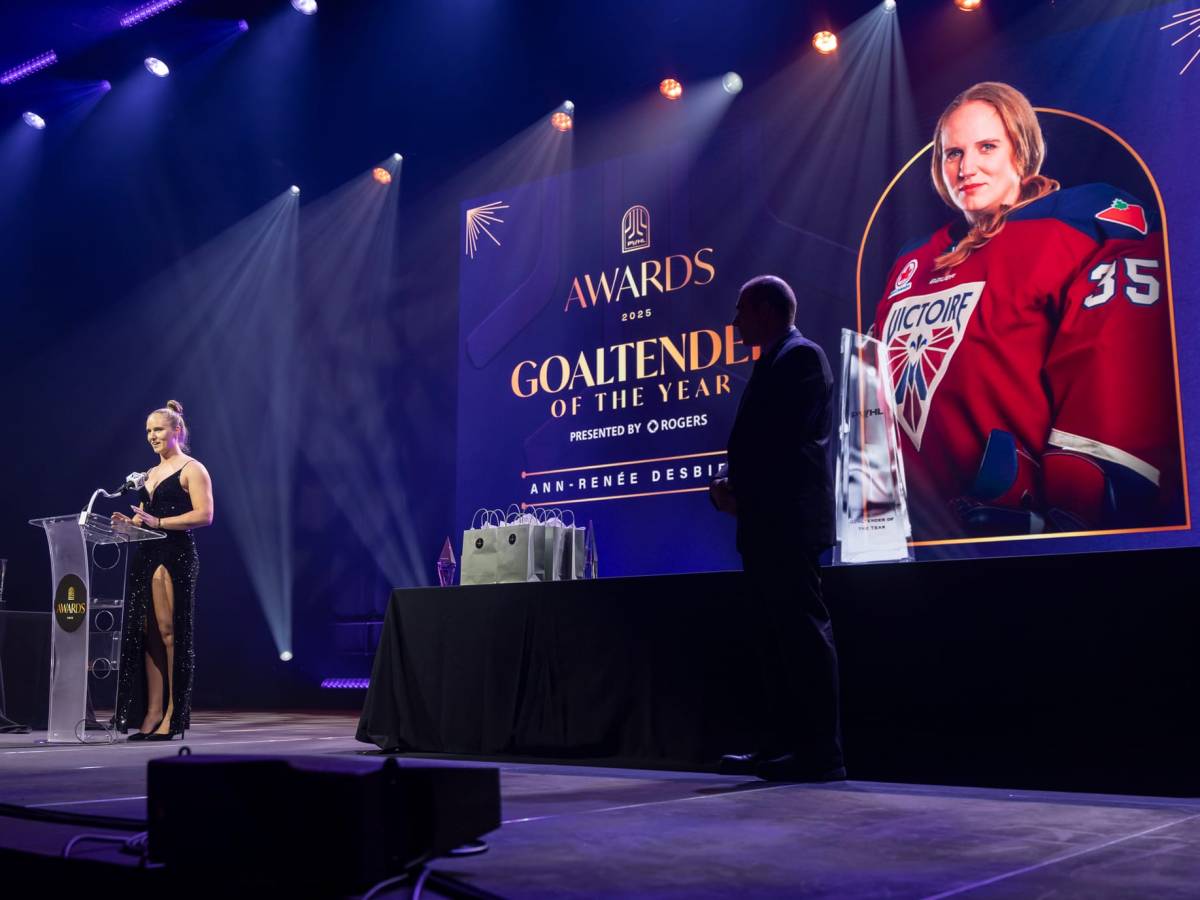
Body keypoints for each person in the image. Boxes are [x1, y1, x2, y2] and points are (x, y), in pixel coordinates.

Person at [872, 82, 1182, 541]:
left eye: (987, 147)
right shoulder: (911, 261)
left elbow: (1114, 353)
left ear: (1022, 150)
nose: (967, 167)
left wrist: (1080, 492)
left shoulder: (1077, 221)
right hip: (921, 537)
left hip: (1029, 537)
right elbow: (876, 393)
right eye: (952, 153)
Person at [710, 275, 843, 782]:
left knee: (802, 638)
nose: (735, 321)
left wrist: (741, 495)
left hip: (787, 523)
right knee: (773, 642)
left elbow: (785, 447)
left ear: (766, 310)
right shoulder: (773, 361)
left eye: (741, 310)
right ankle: (778, 749)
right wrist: (734, 493)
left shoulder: (802, 357)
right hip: (766, 524)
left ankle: (821, 755)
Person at [111, 401, 213, 740]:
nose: (152, 436)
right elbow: (144, 521)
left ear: (177, 431)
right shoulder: (148, 475)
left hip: (175, 555)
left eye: (158, 430)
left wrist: (160, 522)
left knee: (170, 634)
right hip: (146, 555)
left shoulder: (192, 469)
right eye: (148, 432)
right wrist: (128, 525)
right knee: (148, 635)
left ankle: (174, 713)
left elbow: (204, 515)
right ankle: (152, 712)